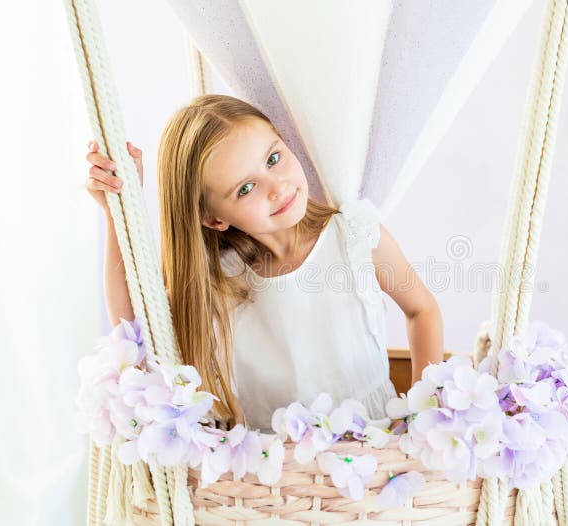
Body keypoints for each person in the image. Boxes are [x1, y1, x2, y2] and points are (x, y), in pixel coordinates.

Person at [83, 94, 444, 432]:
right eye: (245, 188)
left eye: (273, 159)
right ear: (213, 219)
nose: (276, 186)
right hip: (274, 479)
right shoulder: (219, 279)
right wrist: (118, 211)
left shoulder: (355, 235)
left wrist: (420, 417)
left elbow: (422, 310)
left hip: (375, 454)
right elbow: (132, 326)